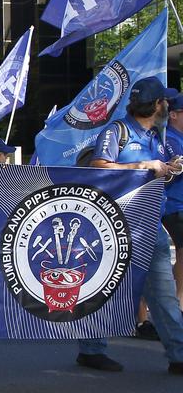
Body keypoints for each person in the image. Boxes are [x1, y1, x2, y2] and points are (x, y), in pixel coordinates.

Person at [76, 77, 183, 375]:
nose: (168, 105)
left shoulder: (156, 136)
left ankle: (179, 355)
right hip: (116, 225)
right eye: (165, 101)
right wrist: (142, 166)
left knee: (163, 294)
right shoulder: (117, 131)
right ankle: (91, 350)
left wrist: (169, 169)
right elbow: (99, 166)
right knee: (104, 289)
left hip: (151, 224)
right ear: (156, 105)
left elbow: (157, 173)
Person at [162, 93, 183, 314]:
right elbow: (176, 168)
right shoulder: (170, 139)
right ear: (174, 115)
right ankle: (177, 304)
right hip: (175, 205)